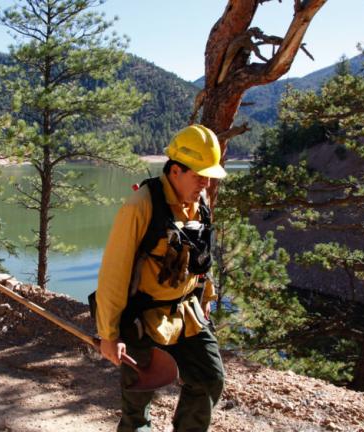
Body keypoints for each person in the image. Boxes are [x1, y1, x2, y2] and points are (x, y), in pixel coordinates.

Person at [95, 124, 226, 432]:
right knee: (137, 408)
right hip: (142, 320)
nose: (205, 183)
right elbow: (114, 273)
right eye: (199, 175)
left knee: (209, 379)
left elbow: (202, 253)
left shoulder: (201, 204)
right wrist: (109, 334)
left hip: (188, 314)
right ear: (176, 170)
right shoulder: (141, 205)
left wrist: (206, 295)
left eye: (209, 176)